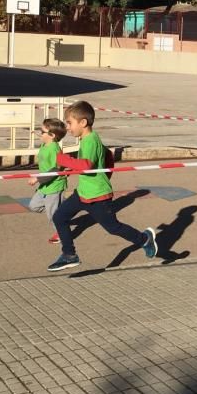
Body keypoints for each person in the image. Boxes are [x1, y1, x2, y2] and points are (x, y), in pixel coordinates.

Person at [46, 100, 157, 272]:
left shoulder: (90, 140)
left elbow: (87, 166)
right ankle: (69, 255)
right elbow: (102, 158)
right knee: (59, 217)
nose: (67, 127)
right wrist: (71, 166)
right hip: (83, 193)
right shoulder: (86, 139)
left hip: (97, 196)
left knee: (113, 228)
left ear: (83, 123)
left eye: (70, 123)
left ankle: (144, 239)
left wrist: (62, 159)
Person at [27, 118, 68, 244]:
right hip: (44, 185)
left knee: (52, 215)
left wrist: (37, 178)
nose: (40, 133)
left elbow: (55, 169)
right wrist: (38, 133)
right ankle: (61, 212)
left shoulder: (54, 149)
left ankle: (61, 233)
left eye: (42, 131)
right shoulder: (46, 144)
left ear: (52, 135)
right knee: (33, 206)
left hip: (54, 185)